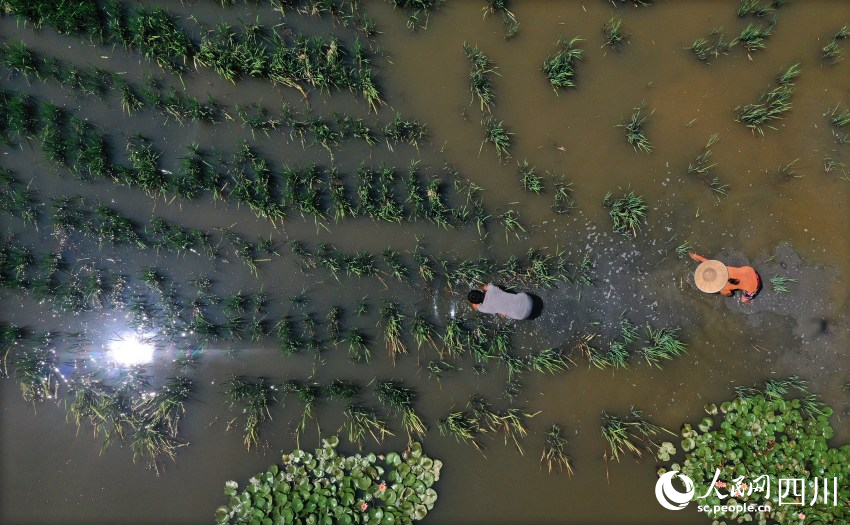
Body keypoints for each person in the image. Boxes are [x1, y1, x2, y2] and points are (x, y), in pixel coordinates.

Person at [689, 253, 761, 303]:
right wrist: (695, 256)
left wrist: (721, 292)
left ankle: (749, 301)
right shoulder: (722, 268)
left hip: (755, 286)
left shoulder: (723, 288)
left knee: (743, 300)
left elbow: (730, 294)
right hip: (751, 271)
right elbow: (706, 261)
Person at [467, 283, 533, 320]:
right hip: (528, 299)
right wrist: (481, 288)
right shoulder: (492, 289)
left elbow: (475, 306)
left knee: (502, 313)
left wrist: (472, 302)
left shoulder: (484, 308)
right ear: (479, 292)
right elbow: (485, 287)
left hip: (523, 315)